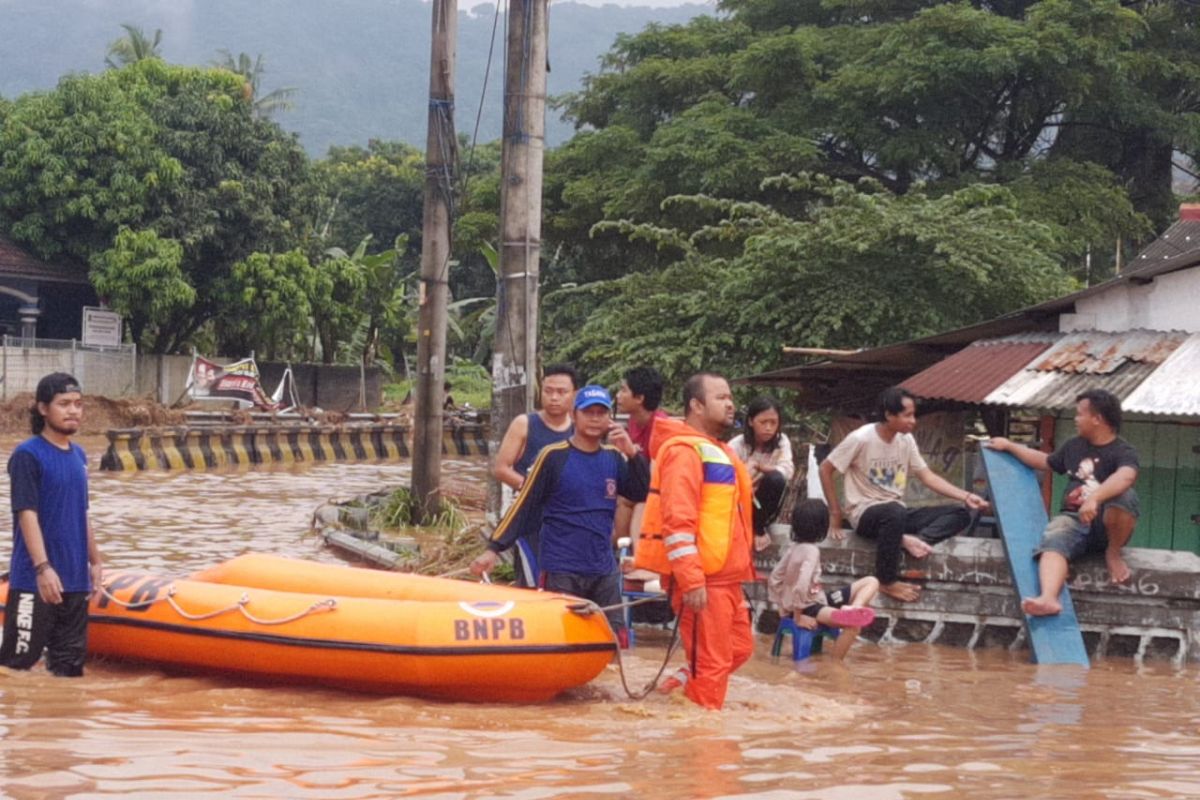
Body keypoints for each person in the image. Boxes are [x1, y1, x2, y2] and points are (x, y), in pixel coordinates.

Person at [471, 385, 643, 643]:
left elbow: (641, 492)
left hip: (604, 568)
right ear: (574, 415)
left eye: (601, 413)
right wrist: (494, 548)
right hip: (562, 569)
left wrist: (633, 454)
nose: (595, 419)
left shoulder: (614, 458)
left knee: (614, 642)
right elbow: (524, 504)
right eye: (588, 412)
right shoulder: (552, 456)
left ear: (610, 418)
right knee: (562, 640)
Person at [634, 372, 755, 709]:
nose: (731, 404)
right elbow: (677, 521)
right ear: (696, 405)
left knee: (739, 649)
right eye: (721, 398)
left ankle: (681, 689)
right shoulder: (684, 452)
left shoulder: (714, 450)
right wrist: (691, 579)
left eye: (730, 396)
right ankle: (705, 748)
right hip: (705, 579)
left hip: (728, 578)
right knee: (713, 666)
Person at [819, 387, 989, 602]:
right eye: (907, 415)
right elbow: (825, 468)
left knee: (960, 513)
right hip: (865, 514)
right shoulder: (861, 438)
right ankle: (887, 580)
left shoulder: (905, 440)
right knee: (895, 511)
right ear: (889, 415)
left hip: (895, 515)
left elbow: (927, 476)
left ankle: (911, 541)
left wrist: (965, 496)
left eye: (913, 415)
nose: (913, 421)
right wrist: (835, 513)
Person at [986, 389, 1139, 616]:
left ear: (1097, 419)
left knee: (1125, 497)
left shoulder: (1123, 451)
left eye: (1079, 414)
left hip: (1106, 524)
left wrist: (1095, 498)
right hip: (1075, 520)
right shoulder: (1074, 446)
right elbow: (1045, 461)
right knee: (1054, 537)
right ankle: (1048, 598)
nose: (1075, 419)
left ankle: (1113, 553)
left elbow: (1126, 477)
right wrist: (1009, 445)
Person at [0, 373, 103, 676]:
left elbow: (81, 513)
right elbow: (26, 514)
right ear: (43, 409)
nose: (73, 411)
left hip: (74, 580)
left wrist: (95, 562)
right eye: (64, 404)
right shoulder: (27, 455)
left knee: (68, 672)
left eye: (78, 404)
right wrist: (43, 569)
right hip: (36, 582)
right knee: (14, 668)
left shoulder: (79, 456)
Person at [491, 363, 578, 585]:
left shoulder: (580, 429)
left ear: (574, 395)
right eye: (548, 391)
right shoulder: (525, 424)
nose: (554, 398)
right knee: (530, 579)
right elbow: (501, 468)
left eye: (561, 392)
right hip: (530, 521)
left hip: (566, 524)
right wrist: (534, 490)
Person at [768, 499, 878, 659]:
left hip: (818, 600)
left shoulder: (794, 548)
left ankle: (854, 608)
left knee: (871, 581)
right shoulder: (812, 552)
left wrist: (782, 606)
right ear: (822, 526)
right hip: (810, 608)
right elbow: (801, 586)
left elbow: (774, 578)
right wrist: (798, 617)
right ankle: (835, 665)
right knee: (853, 626)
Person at [728, 395, 795, 550]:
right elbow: (726, 478)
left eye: (773, 423)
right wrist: (745, 472)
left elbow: (787, 471)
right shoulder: (737, 445)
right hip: (739, 501)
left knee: (776, 479)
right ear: (751, 421)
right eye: (763, 422)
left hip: (765, 506)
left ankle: (759, 528)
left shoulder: (781, 441)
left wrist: (760, 467)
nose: (768, 428)